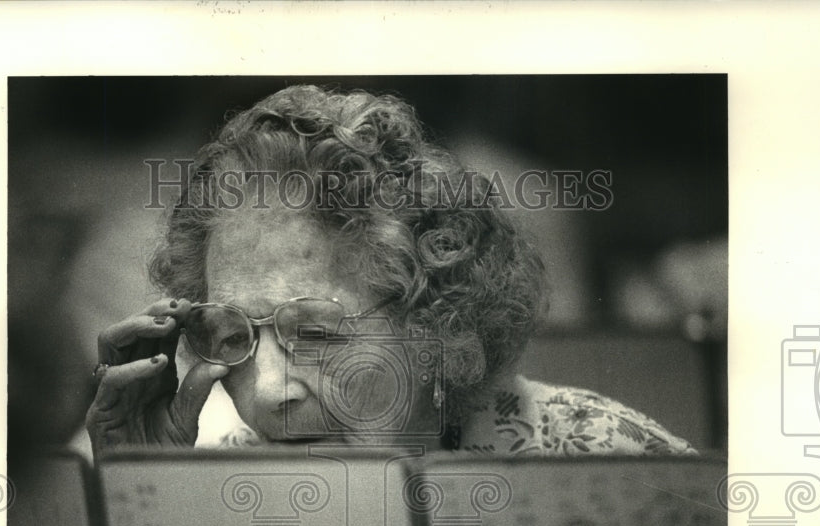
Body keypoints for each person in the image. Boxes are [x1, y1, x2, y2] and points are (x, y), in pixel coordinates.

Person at [86, 85, 695, 459]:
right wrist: (140, 494)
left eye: (317, 333)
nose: (269, 393)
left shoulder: (600, 463)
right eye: (231, 336)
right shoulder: (216, 478)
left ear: (437, 327)